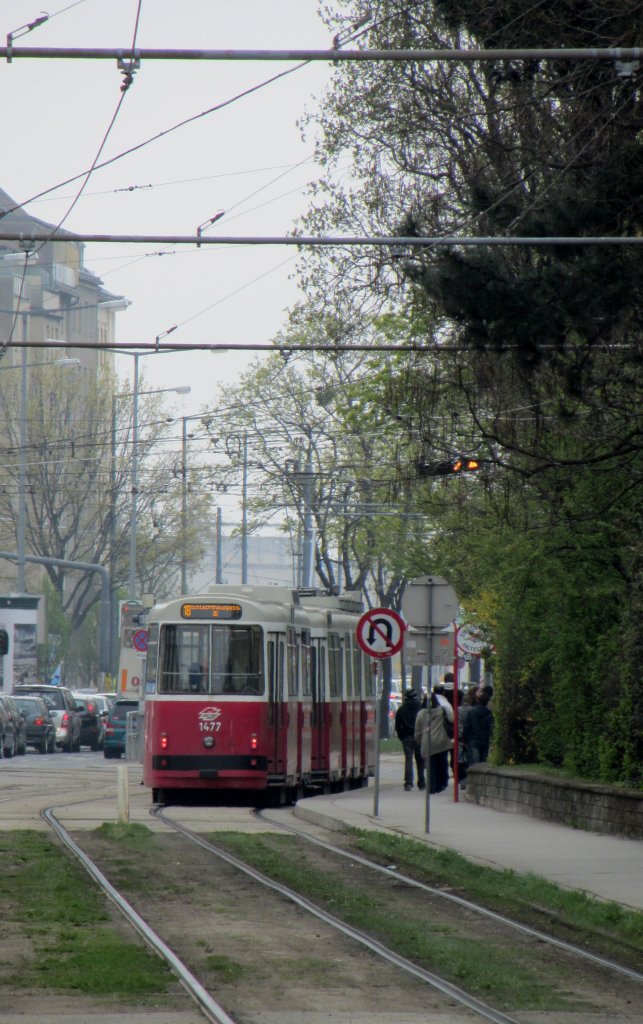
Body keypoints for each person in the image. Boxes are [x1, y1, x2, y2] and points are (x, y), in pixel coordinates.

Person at [415, 692, 453, 794]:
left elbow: (418, 732)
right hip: (441, 741)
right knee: (442, 763)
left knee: (431, 766)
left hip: (427, 743)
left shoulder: (421, 714)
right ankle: (442, 782)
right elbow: (452, 719)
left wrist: (420, 742)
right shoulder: (441, 711)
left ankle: (432, 786)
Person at [394, 689, 425, 791]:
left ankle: (408, 782)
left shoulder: (401, 709)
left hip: (406, 737)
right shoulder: (421, 708)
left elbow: (398, 726)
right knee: (420, 760)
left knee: (408, 759)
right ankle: (421, 782)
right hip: (419, 736)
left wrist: (401, 736)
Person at [463, 689, 494, 765]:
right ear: (487, 702)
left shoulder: (471, 712)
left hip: (473, 740)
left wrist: (466, 740)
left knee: (474, 763)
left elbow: (467, 727)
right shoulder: (489, 713)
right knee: (483, 763)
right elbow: (491, 728)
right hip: (484, 740)